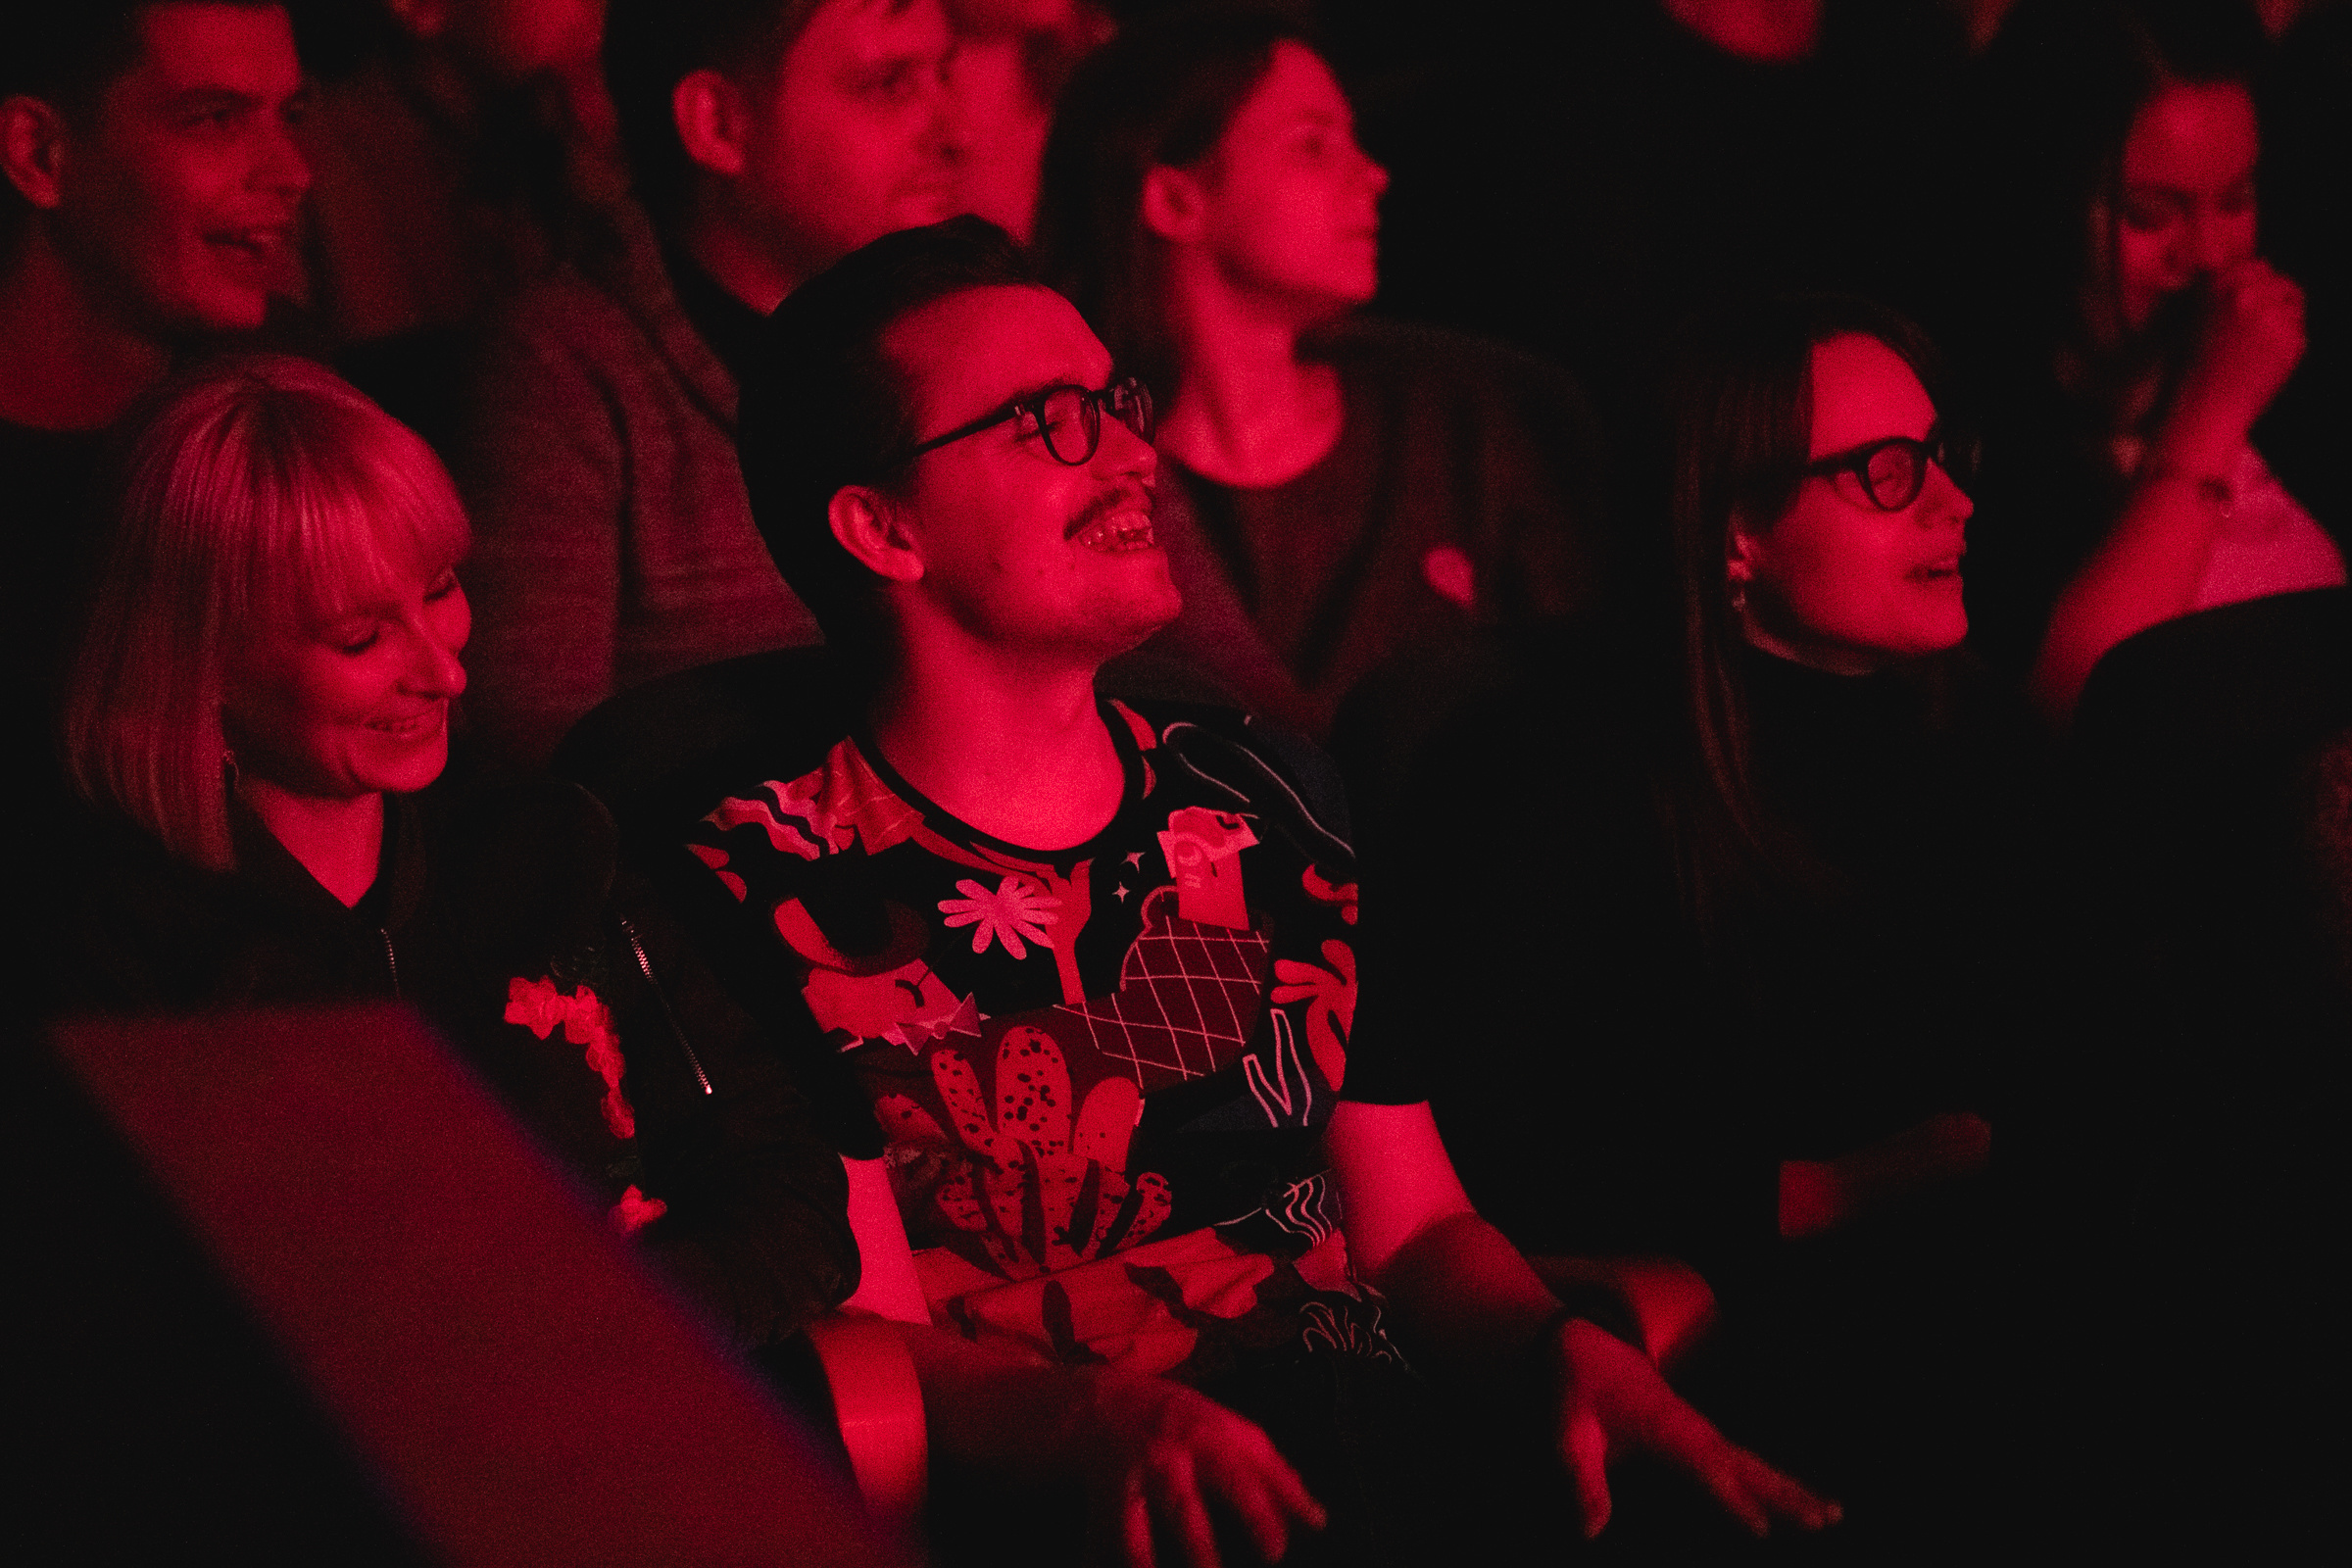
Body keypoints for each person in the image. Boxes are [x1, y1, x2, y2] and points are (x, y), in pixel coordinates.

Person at [659, 217, 1837, 1564]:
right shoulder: (760, 878)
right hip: (1079, 1483)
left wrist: (1560, 1351)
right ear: (882, 527)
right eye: (1050, 422)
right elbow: (873, 1338)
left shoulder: (1265, 797)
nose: (1130, 452)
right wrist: (1109, 1418)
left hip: (1358, 1422)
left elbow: (1416, 1226)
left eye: (1116, 402)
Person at [1345, 293, 2034, 1558]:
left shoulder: (1979, 740)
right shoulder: (1562, 769)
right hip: (1764, 1292)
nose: (1954, 504)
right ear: (1735, 533)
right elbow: (1482, 1127)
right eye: (1890, 474)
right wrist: (1824, 1192)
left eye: (1945, 457)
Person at [47, 355, 859, 1359]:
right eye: (360, 638)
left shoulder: (541, 843)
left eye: (440, 590)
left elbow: (791, 1183)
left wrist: (604, 1324)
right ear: (200, 671)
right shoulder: (117, 954)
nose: (442, 665)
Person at [1033, 4, 1611, 738]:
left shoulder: (1471, 418)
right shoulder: (1090, 476)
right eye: (1312, 147)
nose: (1372, 174)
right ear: (1175, 198)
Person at [453, 0, 969, 765]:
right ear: (719, 125)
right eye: (890, 83)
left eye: (944, 75)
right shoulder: (567, 371)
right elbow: (538, 775)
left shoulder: (964, 335)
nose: (950, 131)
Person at [1956, 0, 2344, 721]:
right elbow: (2073, 705)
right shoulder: (1983, 442)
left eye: (2235, 199)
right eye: (2150, 215)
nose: (2207, 256)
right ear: (2049, 206)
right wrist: (2213, 411)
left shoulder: (2302, 381)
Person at [0, 1, 308, 752]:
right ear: (40, 154)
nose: (294, 172)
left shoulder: (286, 404)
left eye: (290, 115)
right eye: (215, 119)